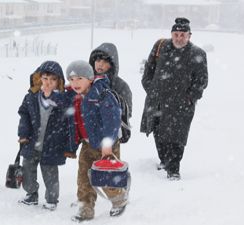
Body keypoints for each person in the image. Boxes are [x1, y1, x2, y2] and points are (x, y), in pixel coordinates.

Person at [140, 17, 208, 180]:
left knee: (177, 137)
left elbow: (202, 81)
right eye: (176, 34)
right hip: (157, 101)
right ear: (171, 34)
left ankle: (174, 169)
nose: (179, 38)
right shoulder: (160, 47)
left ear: (189, 36)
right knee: (158, 131)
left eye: (182, 35)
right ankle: (164, 161)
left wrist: (190, 98)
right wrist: (151, 89)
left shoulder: (198, 53)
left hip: (181, 104)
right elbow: (148, 70)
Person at [64, 60, 129, 222]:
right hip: (87, 144)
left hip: (107, 145)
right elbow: (76, 122)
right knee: (84, 178)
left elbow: (112, 122)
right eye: (71, 80)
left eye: (79, 78)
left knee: (108, 178)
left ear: (90, 78)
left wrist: (107, 145)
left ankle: (119, 200)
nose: (75, 83)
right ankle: (85, 207)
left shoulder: (103, 95)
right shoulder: (77, 97)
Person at [17, 60, 68, 210]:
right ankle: (31, 194)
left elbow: (68, 117)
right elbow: (24, 115)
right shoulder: (32, 97)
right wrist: (23, 133)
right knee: (27, 169)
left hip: (52, 144)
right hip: (32, 142)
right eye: (45, 79)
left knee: (50, 173)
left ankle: (52, 200)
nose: (48, 83)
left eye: (53, 80)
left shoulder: (62, 99)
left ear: (59, 82)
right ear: (39, 78)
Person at [89, 42, 132, 118]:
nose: (100, 64)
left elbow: (127, 113)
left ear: (112, 65)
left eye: (105, 61)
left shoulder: (121, 85)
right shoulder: (87, 81)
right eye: (98, 61)